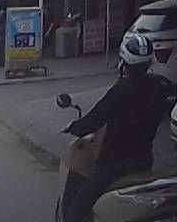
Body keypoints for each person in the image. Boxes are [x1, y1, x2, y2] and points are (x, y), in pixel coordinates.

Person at [61, 35, 170, 222]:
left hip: (113, 163)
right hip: (144, 160)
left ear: (123, 62)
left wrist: (73, 127)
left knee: (77, 209)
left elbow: (95, 119)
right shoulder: (160, 86)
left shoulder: (121, 90)